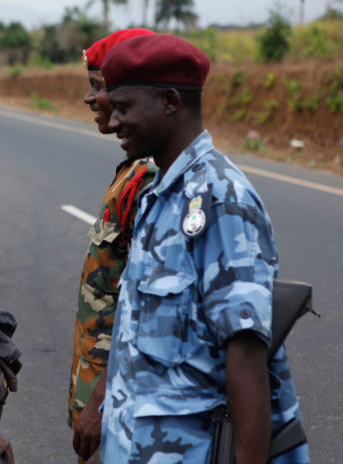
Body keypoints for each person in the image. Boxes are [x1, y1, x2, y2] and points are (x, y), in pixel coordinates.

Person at [95, 34, 309, 463]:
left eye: (123, 107)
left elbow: (247, 355)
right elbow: (134, 337)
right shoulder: (158, 193)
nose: (113, 121)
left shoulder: (220, 199)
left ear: (169, 101)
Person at [68, 28, 157, 463]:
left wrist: (102, 402)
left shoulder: (149, 180)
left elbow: (143, 307)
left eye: (98, 87)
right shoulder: (132, 169)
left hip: (124, 401)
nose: (89, 99)